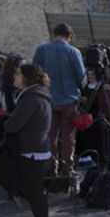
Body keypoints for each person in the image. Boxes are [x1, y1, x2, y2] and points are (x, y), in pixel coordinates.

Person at [3, 63, 54, 217]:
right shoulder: (41, 95)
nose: (15, 77)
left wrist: (5, 121)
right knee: (36, 195)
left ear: (27, 78)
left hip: (31, 151)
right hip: (40, 149)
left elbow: (14, 125)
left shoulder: (30, 97)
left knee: (36, 196)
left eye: (18, 74)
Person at [33, 23, 87, 178]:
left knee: (50, 135)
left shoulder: (42, 50)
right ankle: (67, 168)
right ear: (69, 36)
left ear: (54, 34)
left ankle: (50, 166)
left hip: (47, 99)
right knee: (68, 137)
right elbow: (82, 78)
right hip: (69, 100)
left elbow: (34, 72)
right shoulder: (73, 52)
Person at [76, 67, 110, 174]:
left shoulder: (103, 87)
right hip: (87, 121)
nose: (90, 76)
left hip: (99, 120)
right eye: (88, 74)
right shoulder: (84, 87)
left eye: (92, 74)